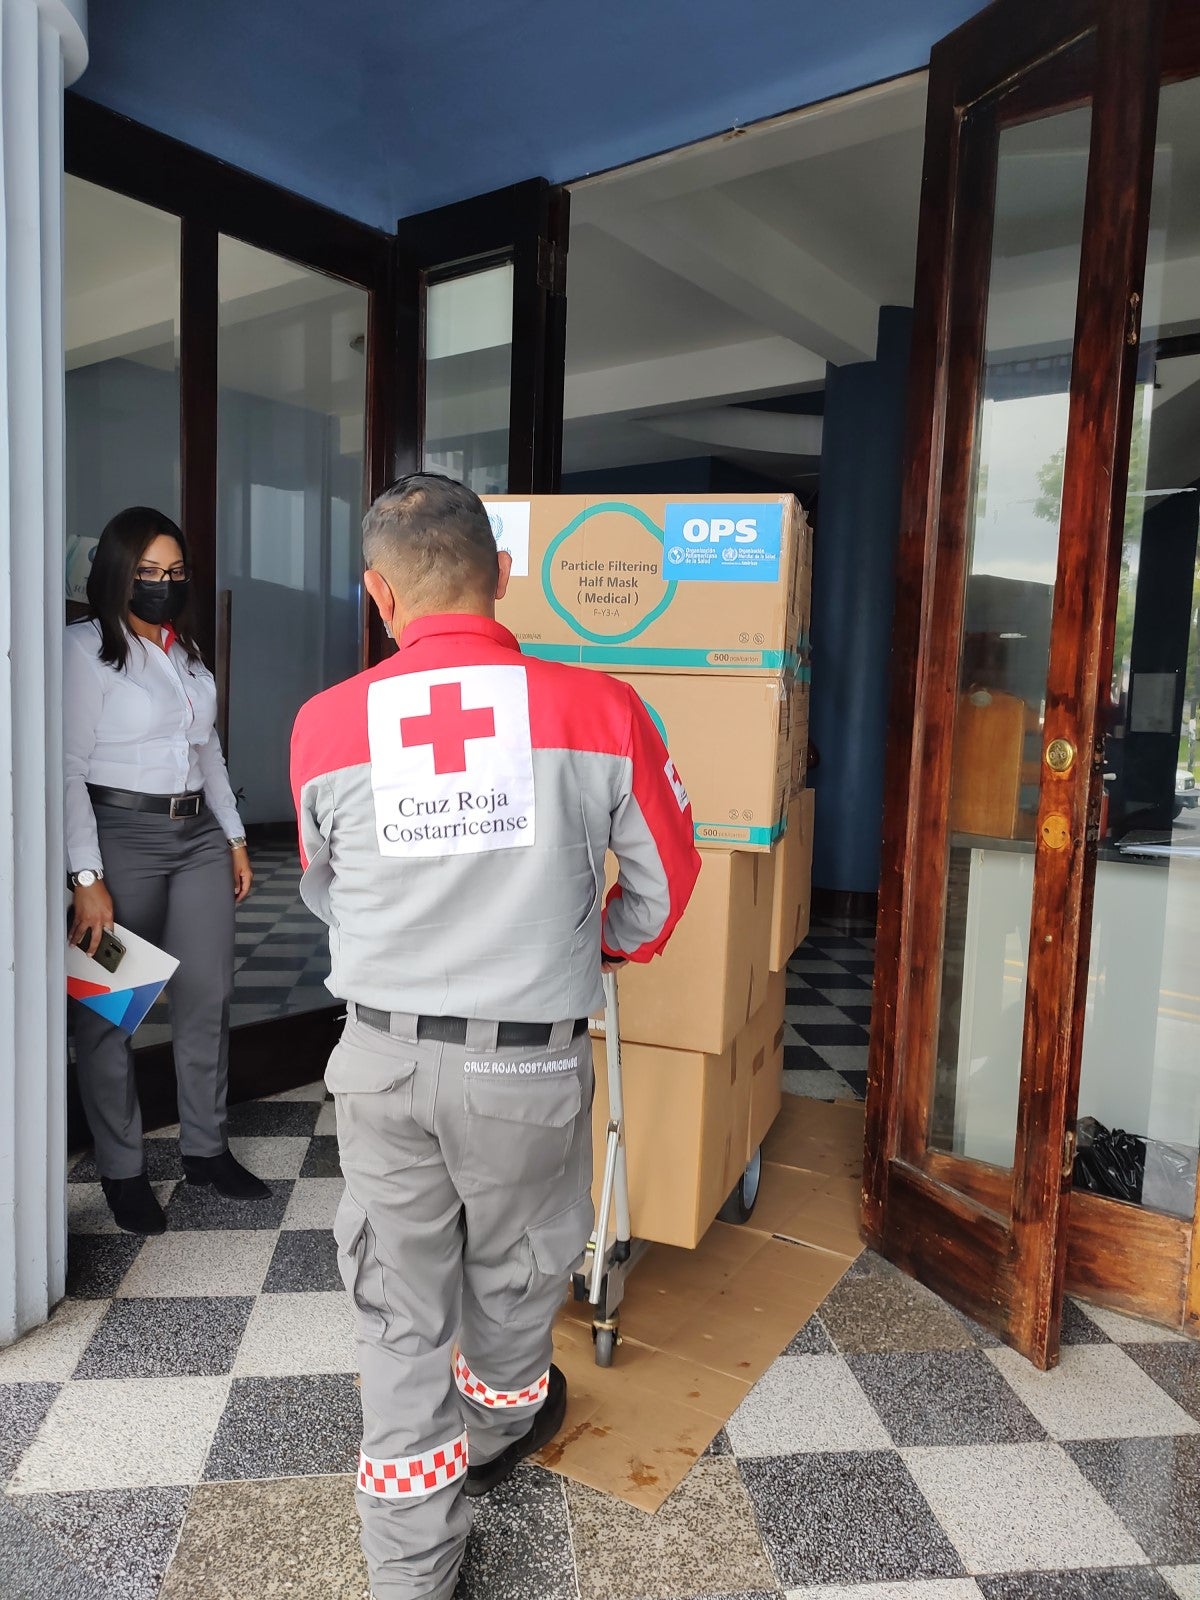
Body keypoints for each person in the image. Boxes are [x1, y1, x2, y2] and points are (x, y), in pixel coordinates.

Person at [291, 473, 700, 1600]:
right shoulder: (601, 707)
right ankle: (498, 1425)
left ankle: (413, 1569)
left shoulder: (325, 724)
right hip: (527, 1058)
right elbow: (666, 888)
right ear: (503, 575)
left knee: (397, 1304)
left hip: (378, 1058)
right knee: (520, 1271)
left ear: (378, 592)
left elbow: (327, 894)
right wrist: (596, 944)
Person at [64, 506, 268, 1235]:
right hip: (119, 841)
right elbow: (66, 772)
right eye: (147, 572)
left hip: (198, 841)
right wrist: (86, 877)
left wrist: (237, 836)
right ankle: (122, 1172)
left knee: (207, 997)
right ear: (116, 575)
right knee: (109, 1011)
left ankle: (206, 1150)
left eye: (174, 571)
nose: (163, 583)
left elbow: (206, 748)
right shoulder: (83, 651)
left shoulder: (185, 654)